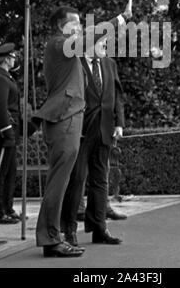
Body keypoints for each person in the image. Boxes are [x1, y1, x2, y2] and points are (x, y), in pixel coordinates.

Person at [33, 0, 133, 257]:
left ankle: (54, 237)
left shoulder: (69, 49)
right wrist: (120, 19)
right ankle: (51, 238)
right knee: (60, 184)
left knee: (63, 182)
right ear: (59, 26)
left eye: (80, 23)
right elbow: (89, 38)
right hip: (65, 120)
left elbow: (91, 46)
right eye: (74, 23)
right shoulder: (59, 44)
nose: (79, 27)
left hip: (71, 120)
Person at [61, 38, 125, 246]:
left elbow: (117, 96)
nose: (106, 49)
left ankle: (99, 229)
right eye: (103, 45)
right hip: (79, 132)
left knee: (100, 180)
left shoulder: (109, 64)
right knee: (77, 180)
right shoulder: (73, 63)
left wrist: (119, 124)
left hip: (105, 130)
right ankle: (69, 231)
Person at [0, 43, 22, 224]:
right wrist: (7, 130)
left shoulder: (6, 77)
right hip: (4, 132)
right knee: (0, 173)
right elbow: (0, 108)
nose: (15, 59)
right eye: (13, 56)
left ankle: (7, 208)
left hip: (11, 131)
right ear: (6, 59)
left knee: (10, 172)